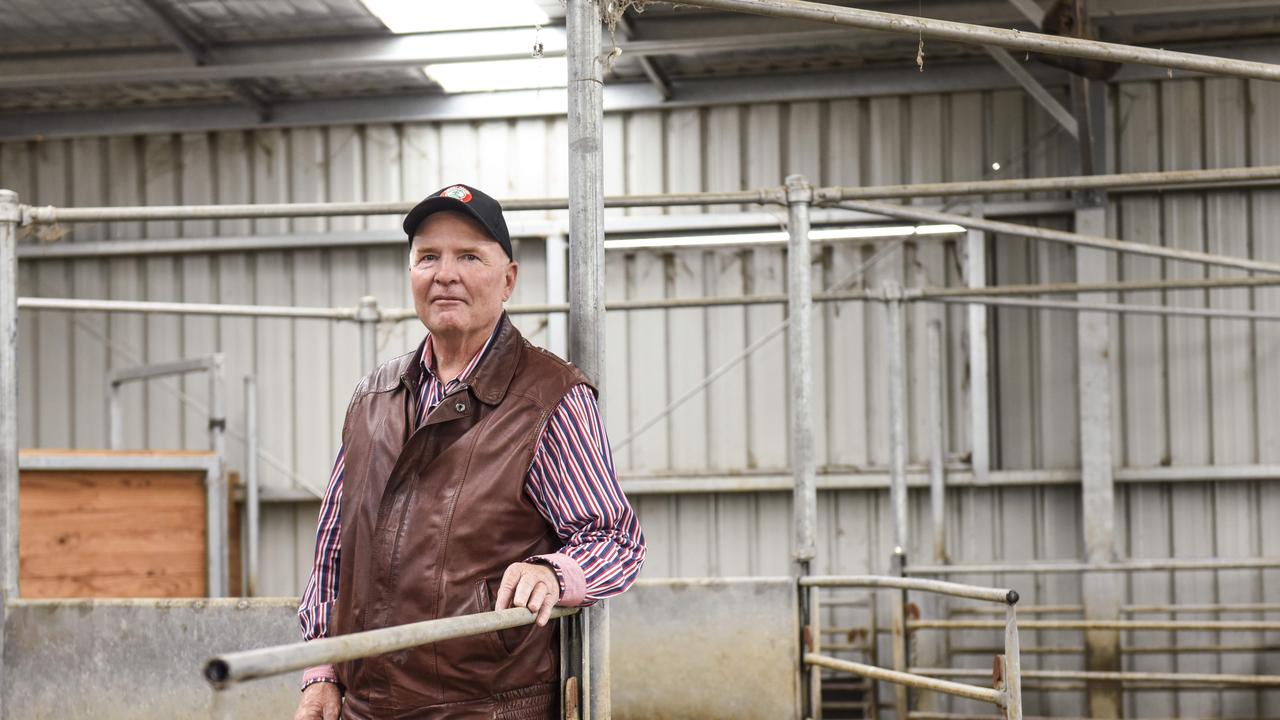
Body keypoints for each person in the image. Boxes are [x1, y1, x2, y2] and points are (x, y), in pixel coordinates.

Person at [293, 183, 646, 720]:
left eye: (469, 257)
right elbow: (333, 552)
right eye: (428, 257)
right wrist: (321, 669)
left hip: (486, 709)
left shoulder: (548, 396)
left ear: (508, 280)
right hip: (366, 708)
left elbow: (615, 539)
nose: (445, 274)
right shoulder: (373, 398)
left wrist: (553, 572)